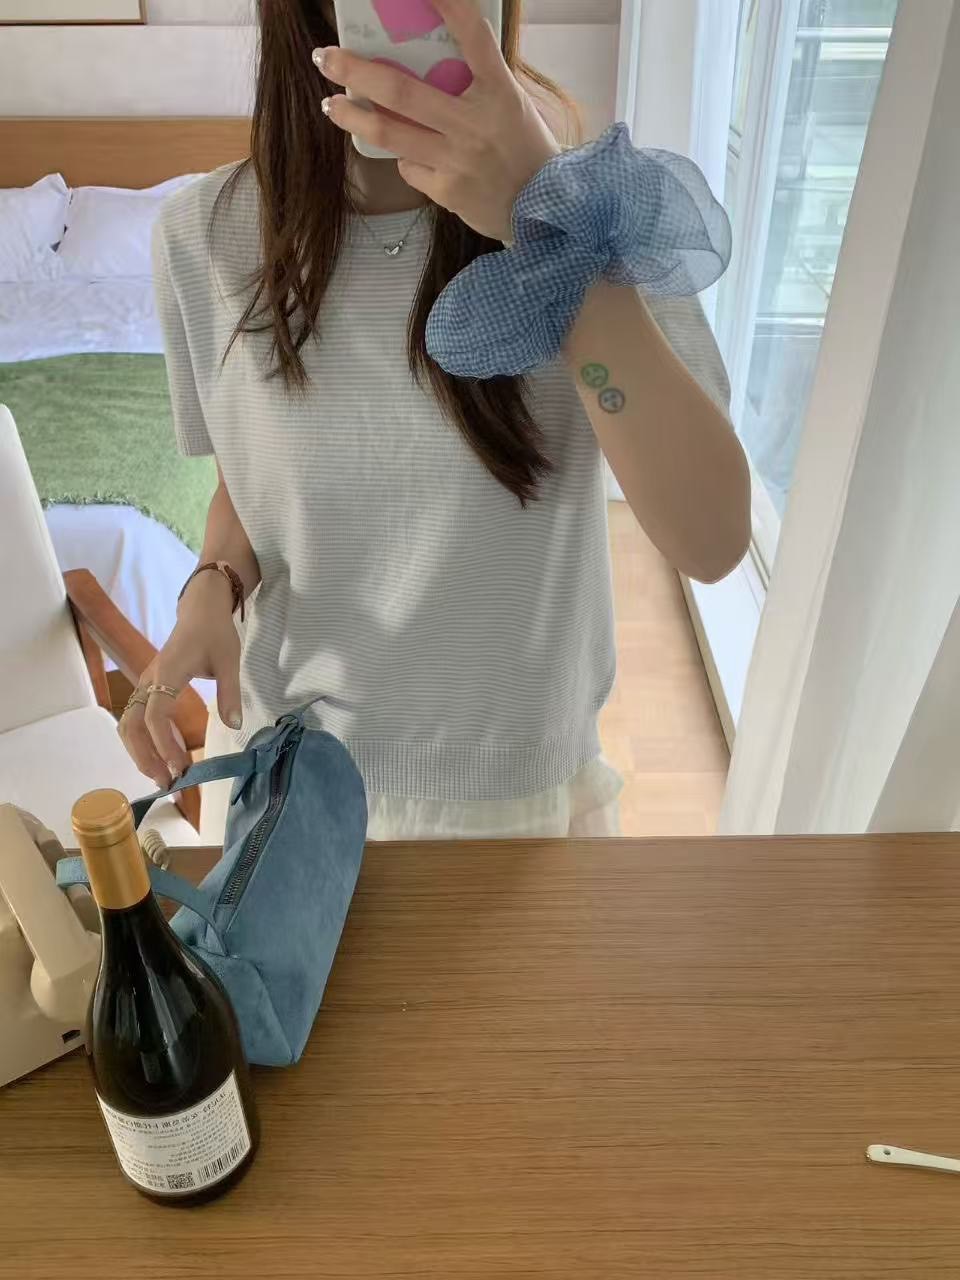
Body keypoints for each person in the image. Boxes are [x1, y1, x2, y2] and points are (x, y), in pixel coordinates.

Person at [119, 0, 750, 840]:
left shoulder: (603, 212)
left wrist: (548, 222)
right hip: (292, 784)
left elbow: (711, 539)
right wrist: (214, 581)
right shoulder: (202, 239)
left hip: (516, 797)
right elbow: (254, 477)